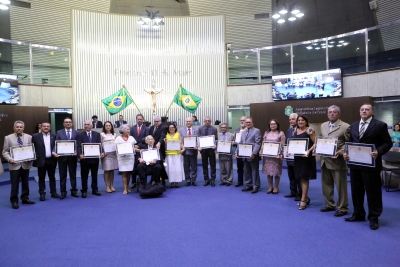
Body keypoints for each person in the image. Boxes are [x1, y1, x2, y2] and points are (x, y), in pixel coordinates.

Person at [343, 104, 392, 230]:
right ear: (359, 112)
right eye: (362, 109)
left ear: (373, 112)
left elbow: (387, 143)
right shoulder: (353, 125)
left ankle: (374, 217)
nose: (364, 111)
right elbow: (350, 143)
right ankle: (358, 214)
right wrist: (346, 153)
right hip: (355, 165)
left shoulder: (380, 125)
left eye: (367, 109)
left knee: (373, 193)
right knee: (356, 191)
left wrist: (379, 152)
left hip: (371, 165)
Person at [319, 105, 350, 217]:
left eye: (334, 112)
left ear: (339, 114)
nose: (332, 114)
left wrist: (341, 152)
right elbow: (321, 140)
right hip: (324, 160)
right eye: (330, 112)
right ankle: (329, 204)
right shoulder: (323, 125)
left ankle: (342, 208)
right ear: (327, 114)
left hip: (338, 162)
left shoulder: (345, 126)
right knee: (326, 185)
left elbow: (348, 144)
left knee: (340, 186)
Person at [2, 120, 35, 209]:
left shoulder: (29, 137)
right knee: (14, 184)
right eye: (17, 127)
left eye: (20, 127)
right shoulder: (8, 138)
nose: (19, 128)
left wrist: (31, 157)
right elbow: (5, 151)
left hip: (25, 164)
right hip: (14, 165)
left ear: (23, 128)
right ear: (14, 128)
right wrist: (10, 159)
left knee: (25, 183)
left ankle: (25, 198)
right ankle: (14, 201)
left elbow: (32, 150)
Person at [291, 115, 316, 210]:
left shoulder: (310, 130)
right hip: (298, 158)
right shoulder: (295, 130)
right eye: (299, 120)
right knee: (300, 178)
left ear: (306, 121)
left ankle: (303, 200)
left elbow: (316, 143)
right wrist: (289, 150)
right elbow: (293, 143)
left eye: (302, 120)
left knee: (304, 178)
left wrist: (309, 151)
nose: (300, 122)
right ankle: (305, 197)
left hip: (306, 158)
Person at [32, 122, 59, 201]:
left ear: (50, 128)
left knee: (52, 177)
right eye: (44, 126)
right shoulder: (35, 136)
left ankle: (53, 192)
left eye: (48, 126)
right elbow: (32, 148)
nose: (46, 127)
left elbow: (57, 146)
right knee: (41, 177)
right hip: (41, 160)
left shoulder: (54, 136)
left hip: (52, 160)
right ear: (41, 127)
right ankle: (42, 193)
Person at [77, 120, 104, 198]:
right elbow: (78, 146)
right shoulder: (80, 135)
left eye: (88, 124)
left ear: (91, 126)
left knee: (94, 175)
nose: (86, 126)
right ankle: (84, 190)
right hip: (84, 159)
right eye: (85, 124)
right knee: (84, 176)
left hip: (94, 159)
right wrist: (79, 154)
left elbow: (100, 145)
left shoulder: (97, 134)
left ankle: (95, 189)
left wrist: (102, 152)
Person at [53, 117, 79, 198]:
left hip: (73, 157)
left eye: (69, 122)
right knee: (62, 175)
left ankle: (74, 191)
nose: (68, 123)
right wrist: (54, 151)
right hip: (62, 158)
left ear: (72, 123)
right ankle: (63, 192)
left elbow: (78, 144)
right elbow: (56, 144)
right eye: (66, 122)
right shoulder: (59, 132)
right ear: (63, 124)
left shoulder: (76, 132)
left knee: (73, 175)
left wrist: (77, 152)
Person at [237, 117, 262, 194]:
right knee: (247, 171)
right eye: (247, 122)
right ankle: (248, 185)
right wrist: (237, 151)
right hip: (244, 155)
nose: (248, 123)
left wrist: (254, 153)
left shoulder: (257, 131)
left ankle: (255, 186)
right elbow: (240, 142)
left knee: (254, 171)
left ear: (253, 123)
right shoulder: (243, 132)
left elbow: (257, 143)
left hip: (253, 155)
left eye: (249, 122)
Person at [261, 119, 285, 194]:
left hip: (276, 156)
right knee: (268, 172)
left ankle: (276, 187)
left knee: (276, 172)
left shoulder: (281, 133)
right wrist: (261, 151)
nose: (273, 125)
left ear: (277, 125)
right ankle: (270, 186)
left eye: (274, 124)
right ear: (269, 125)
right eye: (271, 124)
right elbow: (263, 143)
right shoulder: (266, 133)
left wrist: (281, 153)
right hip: (267, 156)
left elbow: (283, 145)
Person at [115, 124, 136, 194]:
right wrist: (121, 153)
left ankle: (128, 186)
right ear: (123, 130)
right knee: (124, 173)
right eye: (127, 129)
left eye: (129, 129)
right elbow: (117, 148)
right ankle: (125, 188)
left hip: (130, 158)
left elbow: (134, 147)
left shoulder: (132, 138)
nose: (128, 130)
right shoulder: (118, 138)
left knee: (129, 173)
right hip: (122, 158)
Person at [284, 113, 301, 200]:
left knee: (298, 176)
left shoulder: (302, 130)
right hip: (289, 157)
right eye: (290, 119)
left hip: (298, 158)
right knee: (291, 175)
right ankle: (293, 192)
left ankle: (300, 194)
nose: (291, 121)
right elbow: (287, 144)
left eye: (293, 119)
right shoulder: (289, 131)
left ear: (298, 120)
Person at [198, 116, 218, 186]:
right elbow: (199, 139)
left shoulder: (214, 129)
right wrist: (199, 146)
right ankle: (206, 179)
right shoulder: (200, 128)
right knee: (204, 165)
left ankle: (213, 179)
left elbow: (216, 139)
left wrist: (215, 145)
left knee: (213, 165)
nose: (207, 122)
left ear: (211, 121)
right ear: (204, 121)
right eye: (206, 120)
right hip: (203, 150)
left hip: (211, 150)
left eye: (209, 121)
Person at [130, 114, 149, 188]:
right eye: (138, 119)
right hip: (134, 149)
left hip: (143, 149)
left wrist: (139, 146)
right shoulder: (132, 128)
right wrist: (134, 145)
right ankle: (133, 182)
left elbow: (146, 139)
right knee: (134, 166)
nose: (139, 120)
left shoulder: (146, 128)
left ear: (143, 119)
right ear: (136, 119)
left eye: (141, 119)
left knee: (144, 165)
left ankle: (144, 181)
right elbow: (130, 138)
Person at [178, 117, 199, 186]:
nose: (188, 122)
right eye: (187, 121)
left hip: (193, 151)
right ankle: (187, 180)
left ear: (192, 122)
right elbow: (180, 141)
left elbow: (198, 140)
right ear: (185, 122)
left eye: (189, 121)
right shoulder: (181, 130)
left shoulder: (196, 130)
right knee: (186, 167)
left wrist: (197, 146)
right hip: (185, 151)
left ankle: (193, 180)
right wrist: (182, 147)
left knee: (194, 166)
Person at [165, 123, 185, 188]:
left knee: (177, 168)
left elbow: (181, 144)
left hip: (177, 154)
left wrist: (183, 149)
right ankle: (171, 182)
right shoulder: (166, 135)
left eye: (172, 127)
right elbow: (165, 146)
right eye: (170, 128)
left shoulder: (178, 134)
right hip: (169, 154)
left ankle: (177, 182)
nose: (171, 129)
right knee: (170, 169)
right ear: (168, 129)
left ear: (175, 128)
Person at [100, 121, 118, 193]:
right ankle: (107, 185)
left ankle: (111, 185)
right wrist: (102, 152)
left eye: (109, 125)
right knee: (107, 170)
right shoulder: (102, 134)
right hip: (106, 155)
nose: (108, 127)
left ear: (111, 126)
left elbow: (117, 145)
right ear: (104, 126)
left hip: (113, 154)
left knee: (112, 170)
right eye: (106, 125)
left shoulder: (115, 135)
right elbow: (100, 145)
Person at [234, 116, 247, 187]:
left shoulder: (248, 130)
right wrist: (234, 142)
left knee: (248, 167)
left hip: (247, 151)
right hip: (239, 151)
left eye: (244, 120)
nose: (242, 122)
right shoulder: (237, 130)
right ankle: (240, 181)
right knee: (239, 167)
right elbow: (236, 141)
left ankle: (248, 182)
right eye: (241, 120)